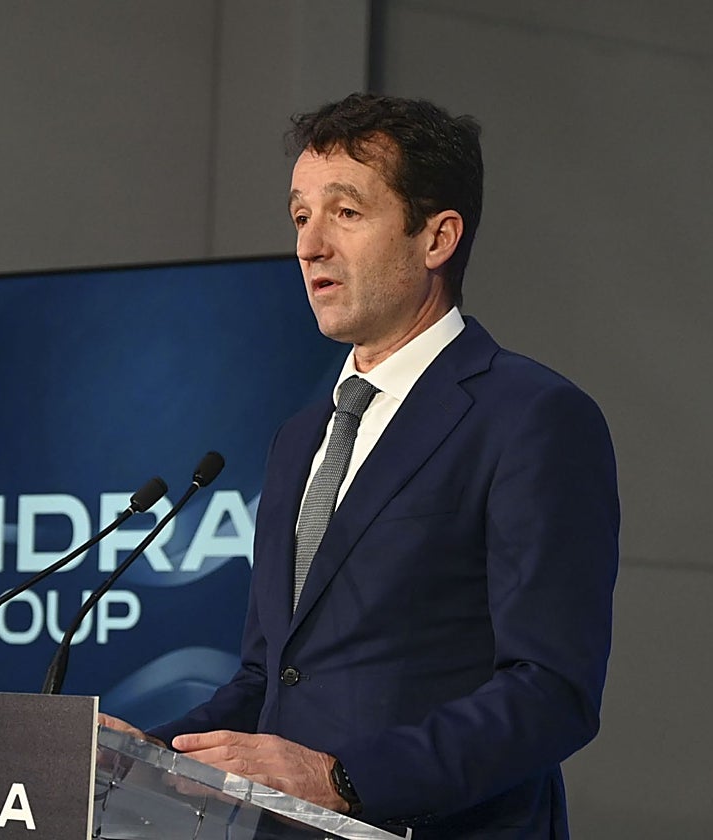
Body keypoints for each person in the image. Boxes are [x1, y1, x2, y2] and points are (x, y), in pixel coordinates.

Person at [102, 92, 619, 839]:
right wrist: (148, 756)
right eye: (300, 216)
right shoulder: (299, 438)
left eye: (345, 212)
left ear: (437, 237)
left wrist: (346, 779)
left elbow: (550, 691)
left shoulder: (531, 417)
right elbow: (269, 679)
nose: (310, 246)